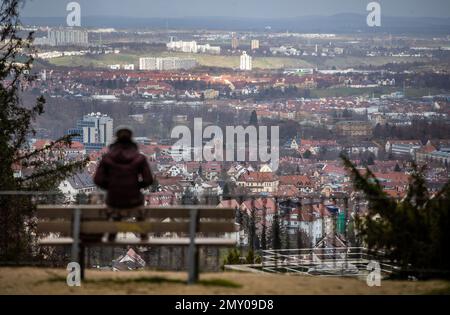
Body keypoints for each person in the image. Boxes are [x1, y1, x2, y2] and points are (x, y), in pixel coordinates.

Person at [94, 125, 153, 240]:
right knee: (138, 209)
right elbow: (148, 180)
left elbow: (98, 180)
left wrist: (110, 186)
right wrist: (136, 186)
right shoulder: (139, 158)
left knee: (116, 207)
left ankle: (112, 235)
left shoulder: (107, 158)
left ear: (116, 139)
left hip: (113, 199)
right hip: (134, 199)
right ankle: (143, 235)